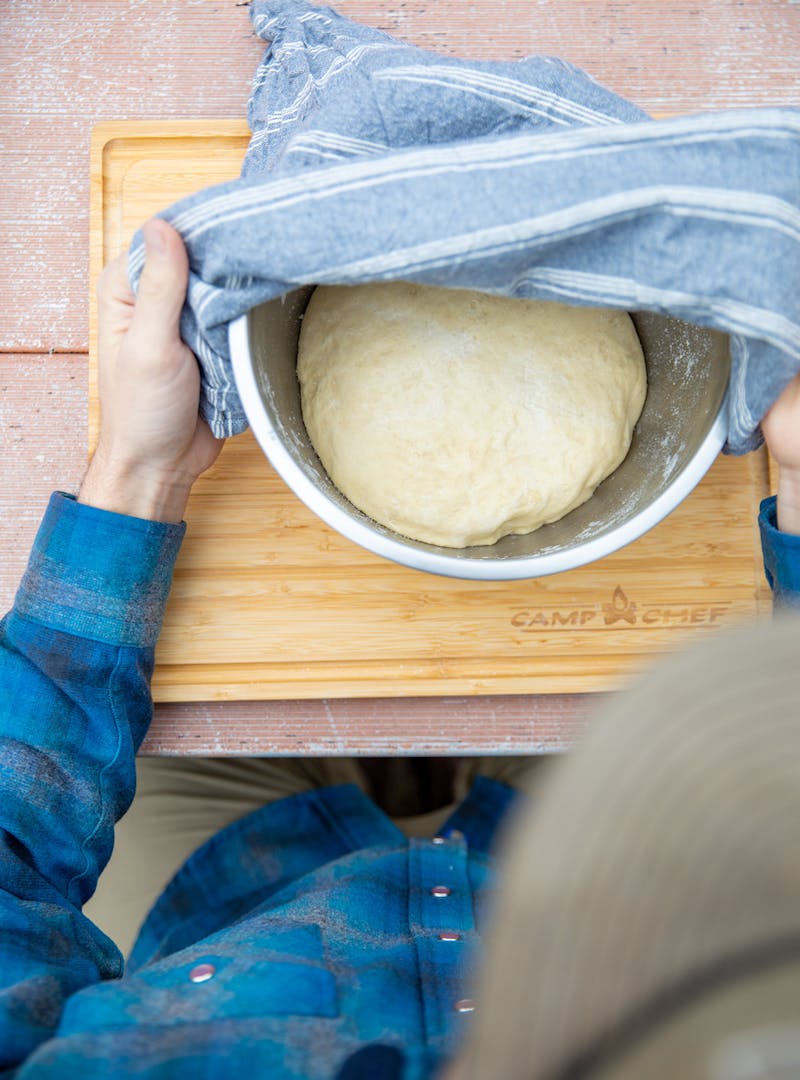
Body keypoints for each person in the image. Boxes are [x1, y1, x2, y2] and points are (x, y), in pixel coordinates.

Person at [0, 219, 797, 1078]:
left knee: (175, 741)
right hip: (623, 861)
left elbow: (10, 869)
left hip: (240, 888)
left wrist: (138, 472)